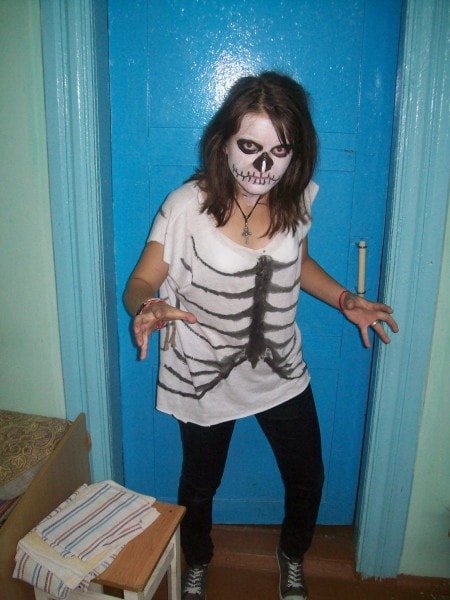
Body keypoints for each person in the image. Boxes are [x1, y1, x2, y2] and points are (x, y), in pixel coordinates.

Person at [123, 71, 398, 600]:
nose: (263, 167)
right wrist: (147, 306)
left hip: (280, 369)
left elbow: (298, 261)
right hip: (202, 372)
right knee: (200, 486)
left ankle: (292, 555)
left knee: (308, 478)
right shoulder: (186, 206)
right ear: (224, 141)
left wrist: (345, 299)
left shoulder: (295, 198)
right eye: (250, 147)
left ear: (297, 153)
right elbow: (140, 281)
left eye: (280, 151)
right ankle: (198, 560)